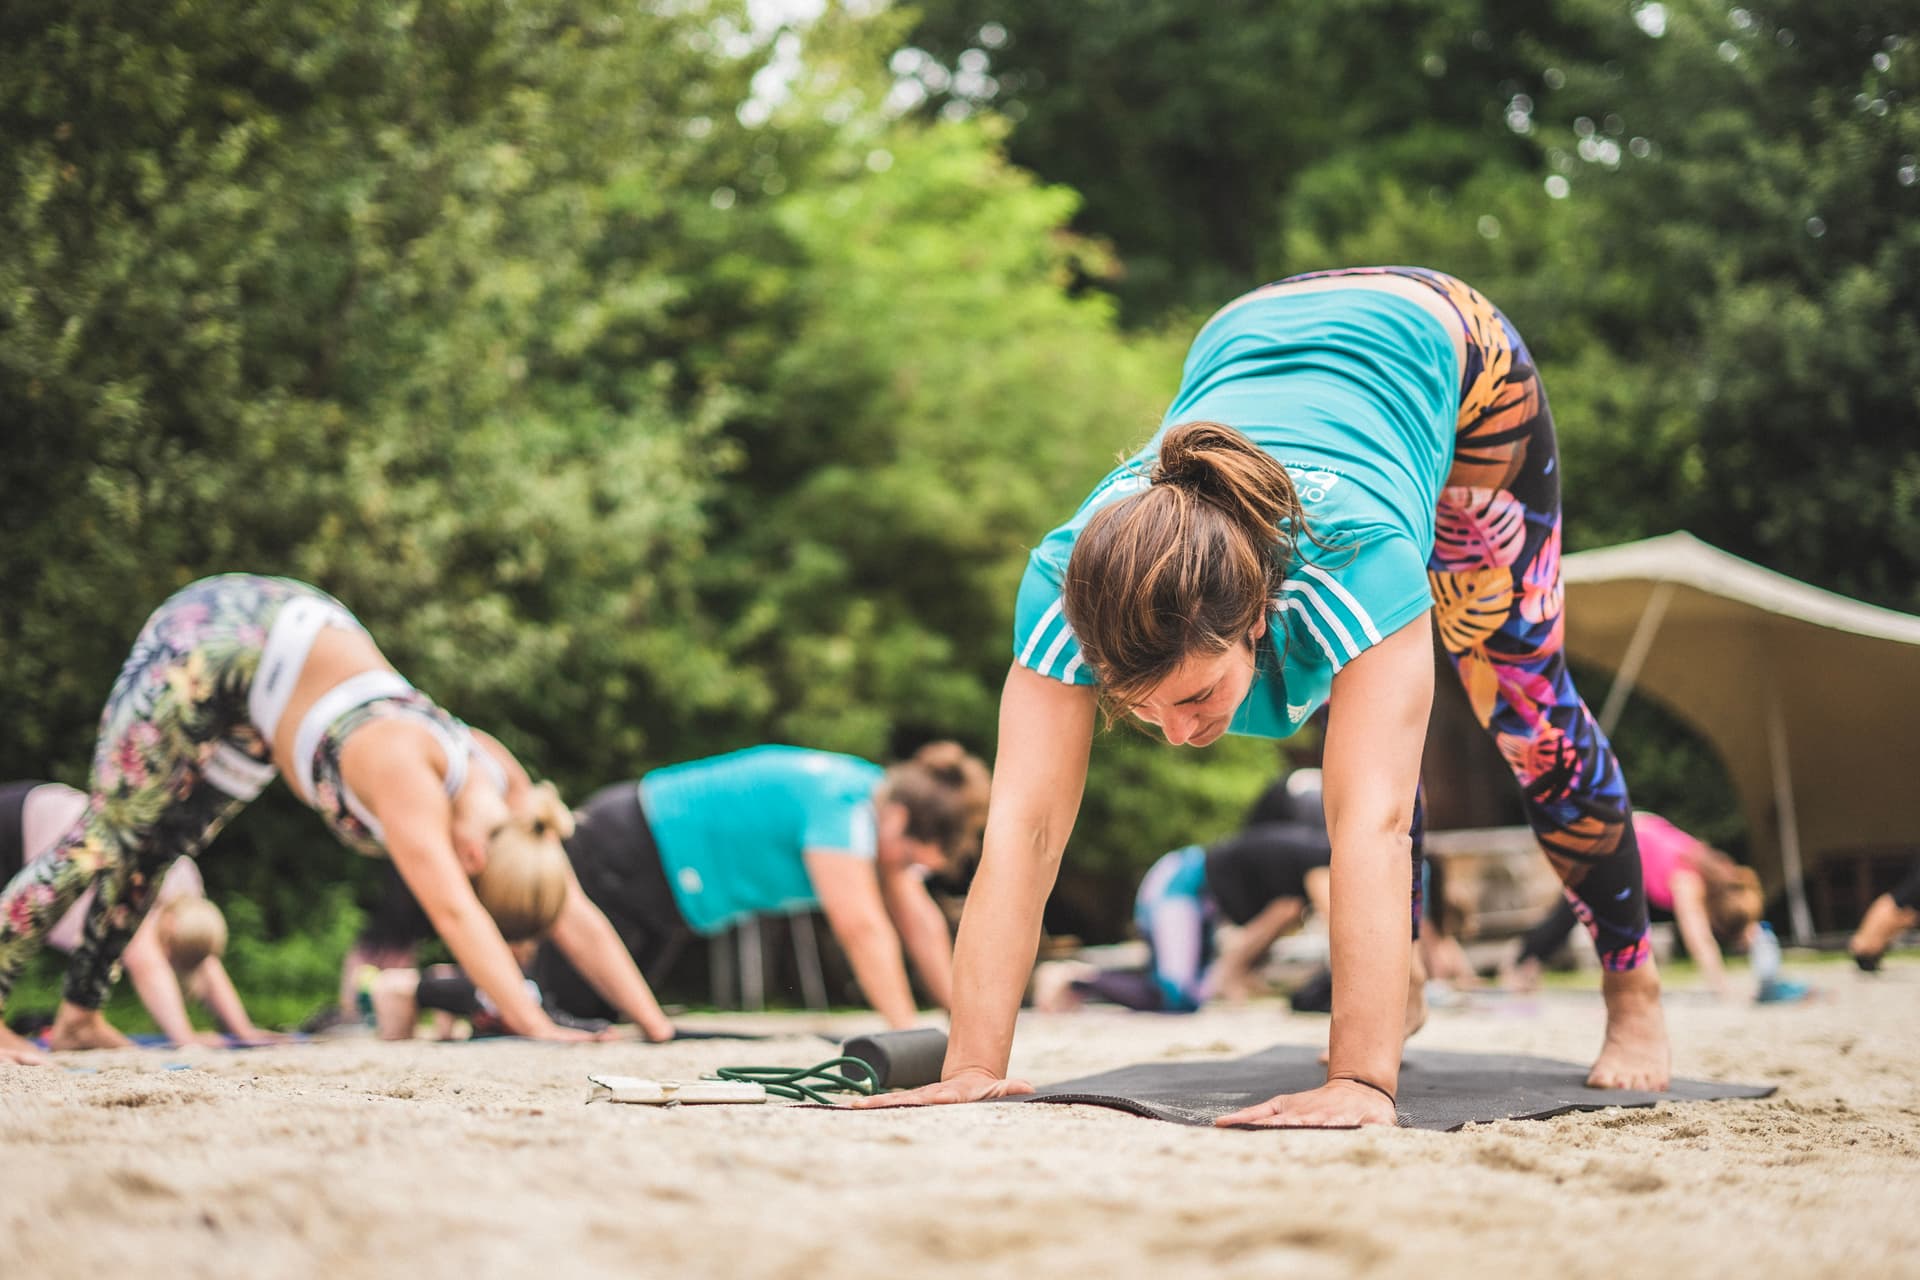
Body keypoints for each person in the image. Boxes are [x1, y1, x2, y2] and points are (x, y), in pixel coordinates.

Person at [855, 266, 1669, 1127]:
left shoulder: (1357, 559)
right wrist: (972, 1064)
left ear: (1255, 624)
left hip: (1441, 343)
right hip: (1239, 330)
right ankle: (1405, 980)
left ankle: (1634, 991)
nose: (1176, 735)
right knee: (1370, 737)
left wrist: (1358, 1083)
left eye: (1197, 695)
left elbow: (1371, 823)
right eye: (1143, 707)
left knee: (1522, 702)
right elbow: (1027, 829)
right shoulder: (1066, 584)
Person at [0, 573, 675, 1066]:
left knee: (155, 854)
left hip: (264, 697)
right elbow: (455, 916)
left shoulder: (512, 797)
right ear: (473, 861)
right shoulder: (408, 773)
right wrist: (535, 1023)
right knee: (108, 835)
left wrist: (654, 1025)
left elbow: (571, 907)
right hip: (220, 632)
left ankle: (80, 1016)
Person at [521, 742, 991, 1030]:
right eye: (908, 858)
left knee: (593, 1015)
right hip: (625, 848)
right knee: (556, 1006)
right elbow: (861, 927)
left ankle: (474, 989)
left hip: (666, 892)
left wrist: (961, 1019)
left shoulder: (872, 796)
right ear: (899, 820)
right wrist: (905, 1030)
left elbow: (920, 923)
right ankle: (452, 987)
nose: (904, 871)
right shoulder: (843, 803)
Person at [0, 780, 281, 1047]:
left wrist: (243, 1031)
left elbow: (203, 960)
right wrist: (186, 1040)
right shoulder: (152, 886)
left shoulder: (185, 884)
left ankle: (77, 1023)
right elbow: (145, 961)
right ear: (169, 927)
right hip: (19, 824)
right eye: (170, 955)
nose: (167, 962)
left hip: (46, 814)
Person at [1035, 821, 1332, 1014]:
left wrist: (1237, 973)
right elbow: (1336, 924)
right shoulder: (1321, 857)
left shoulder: (1304, 867)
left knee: (1194, 994)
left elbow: (1278, 919)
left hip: (1203, 904)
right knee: (1176, 996)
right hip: (1179, 883)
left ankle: (1082, 986)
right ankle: (1075, 976)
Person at [1503, 811, 1764, 999]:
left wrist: (1751, 933)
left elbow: (1740, 906)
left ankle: (1526, 964)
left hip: (1625, 834)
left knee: (1574, 911)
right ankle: (1519, 962)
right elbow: (1699, 939)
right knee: (1573, 912)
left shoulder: (1720, 873)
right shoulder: (1689, 883)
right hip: (1610, 846)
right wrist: (1722, 987)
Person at [1849, 858, 1920, 971]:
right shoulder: (1861, 941)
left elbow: (1905, 919)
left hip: (1899, 905)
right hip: (1897, 904)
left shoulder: (1868, 944)